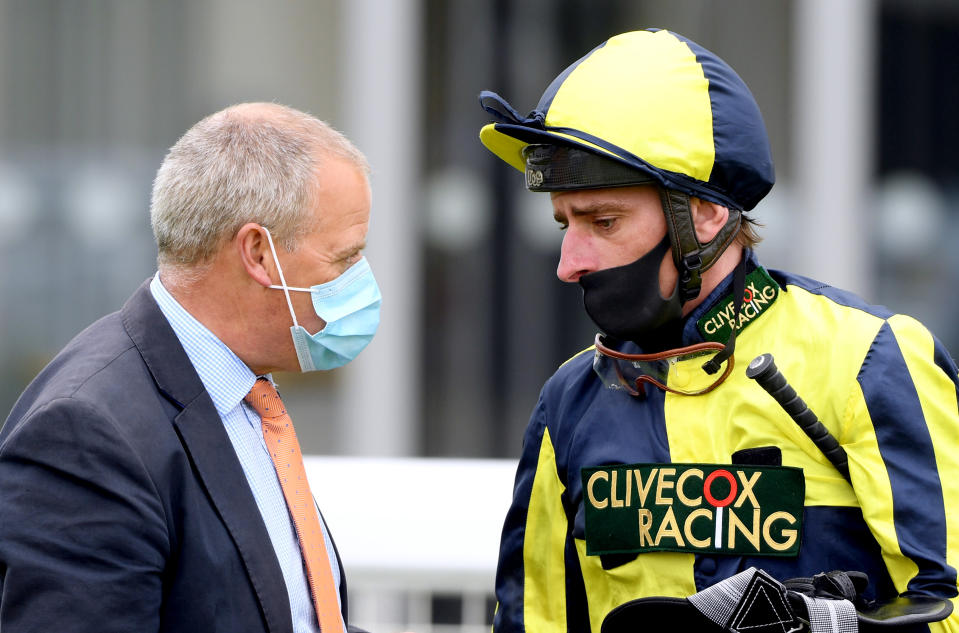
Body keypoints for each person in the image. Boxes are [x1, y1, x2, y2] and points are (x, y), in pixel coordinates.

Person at [478, 29, 959, 632]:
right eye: (563, 226)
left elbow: (950, 601)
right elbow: (534, 621)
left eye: (604, 221)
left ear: (706, 213)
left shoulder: (871, 359)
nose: (569, 263)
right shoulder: (569, 403)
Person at [0, 103, 380, 633]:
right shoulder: (86, 436)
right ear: (258, 253)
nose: (361, 280)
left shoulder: (243, 394)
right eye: (344, 258)